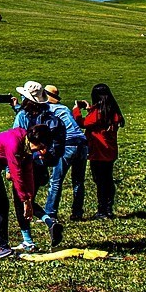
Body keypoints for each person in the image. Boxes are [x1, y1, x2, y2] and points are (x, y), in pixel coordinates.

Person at [0, 124, 54, 260]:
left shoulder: (26, 147)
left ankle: (2, 245)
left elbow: (28, 174)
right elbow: (16, 173)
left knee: (3, 204)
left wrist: (29, 199)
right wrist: (24, 200)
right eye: (41, 147)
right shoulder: (14, 143)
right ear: (34, 142)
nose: (42, 151)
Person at [10, 81, 66, 251]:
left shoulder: (23, 117)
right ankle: (49, 221)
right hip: (42, 165)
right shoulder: (50, 116)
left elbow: (15, 141)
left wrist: (9, 169)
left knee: (21, 201)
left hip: (25, 164)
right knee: (29, 200)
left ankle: (28, 239)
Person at [73, 83, 126, 219]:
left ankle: (102, 210)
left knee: (100, 181)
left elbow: (83, 123)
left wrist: (76, 110)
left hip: (98, 151)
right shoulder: (113, 111)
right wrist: (90, 108)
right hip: (110, 151)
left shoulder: (98, 112)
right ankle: (108, 208)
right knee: (108, 179)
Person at [42, 84, 89, 222]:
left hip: (67, 144)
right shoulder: (64, 108)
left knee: (56, 180)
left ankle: (50, 213)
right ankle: (77, 212)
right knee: (78, 181)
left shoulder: (48, 110)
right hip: (82, 142)